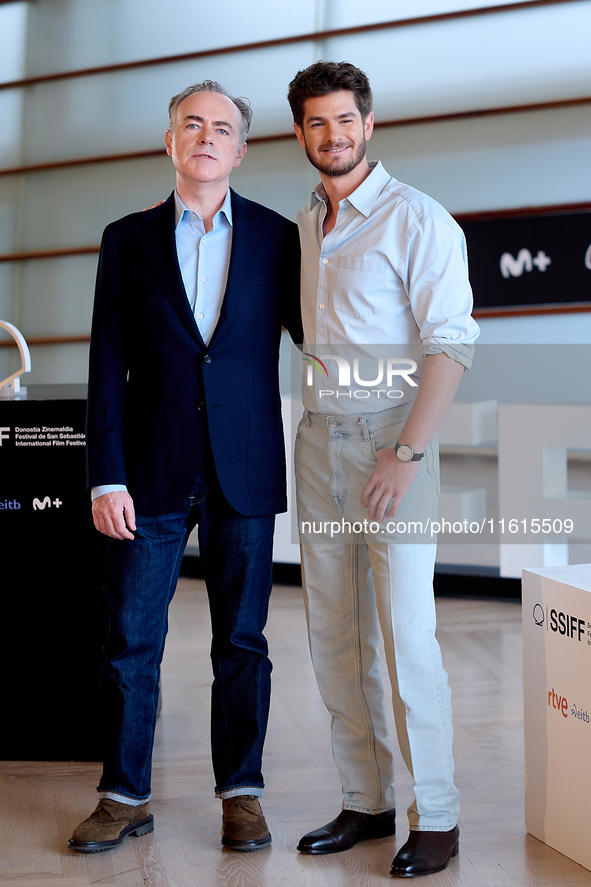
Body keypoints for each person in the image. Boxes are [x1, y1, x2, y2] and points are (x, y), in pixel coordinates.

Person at [68, 81, 301, 855]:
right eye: (190, 125)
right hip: (148, 473)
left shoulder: (277, 237)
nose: (205, 136)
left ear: (240, 149)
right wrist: (105, 474)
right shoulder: (125, 239)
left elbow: (321, 335)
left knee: (242, 640)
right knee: (130, 639)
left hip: (245, 470)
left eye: (221, 127)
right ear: (170, 143)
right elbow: (106, 363)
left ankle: (242, 793)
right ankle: (124, 793)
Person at [287, 61, 479, 877]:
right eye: (316, 123)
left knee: (404, 638)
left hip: (391, 444)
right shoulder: (304, 223)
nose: (332, 136)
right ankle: (364, 800)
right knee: (333, 635)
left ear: (369, 124)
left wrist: (404, 453)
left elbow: (452, 343)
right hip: (319, 441)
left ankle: (434, 814)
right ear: (300, 133)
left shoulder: (416, 218)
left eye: (344, 120)